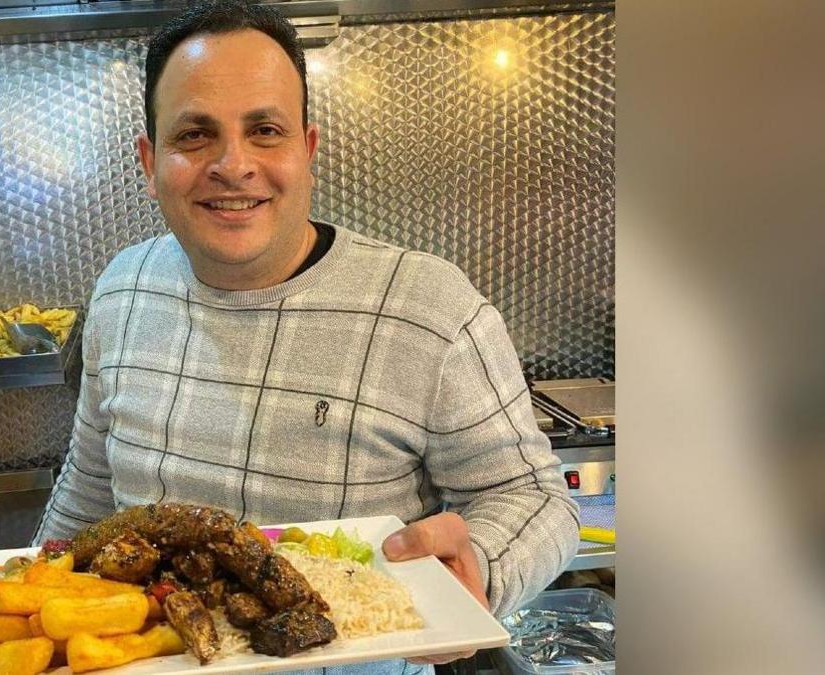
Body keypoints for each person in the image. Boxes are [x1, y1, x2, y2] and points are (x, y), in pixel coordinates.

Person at [33, 1, 579, 670]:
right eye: (194, 135)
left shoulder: (430, 309)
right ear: (150, 162)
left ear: (307, 150)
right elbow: (88, 489)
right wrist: (27, 607)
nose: (233, 164)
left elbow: (537, 498)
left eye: (265, 129)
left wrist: (480, 565)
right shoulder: (121, 289)